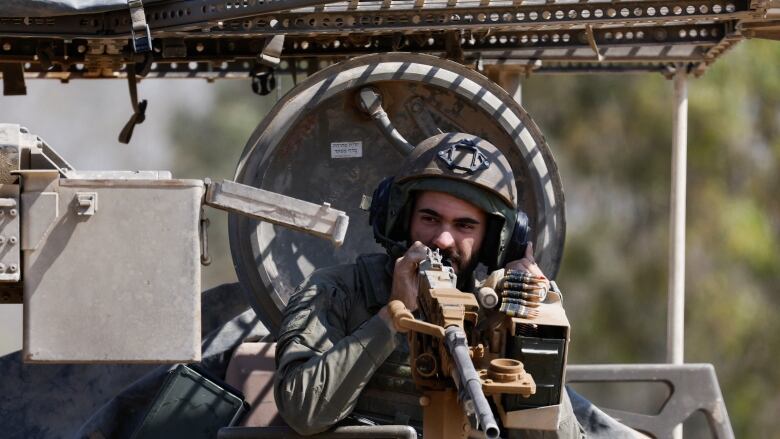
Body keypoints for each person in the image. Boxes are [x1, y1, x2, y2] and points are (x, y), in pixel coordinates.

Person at [274, 133, 641, 438]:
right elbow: (303, 411)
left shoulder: (496, 312)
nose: (444, 239)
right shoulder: (337, 292)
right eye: (430, 218)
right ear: (401, 220)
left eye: (465, 226)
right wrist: (391, 317)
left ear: (495, 240)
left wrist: (533, 328)